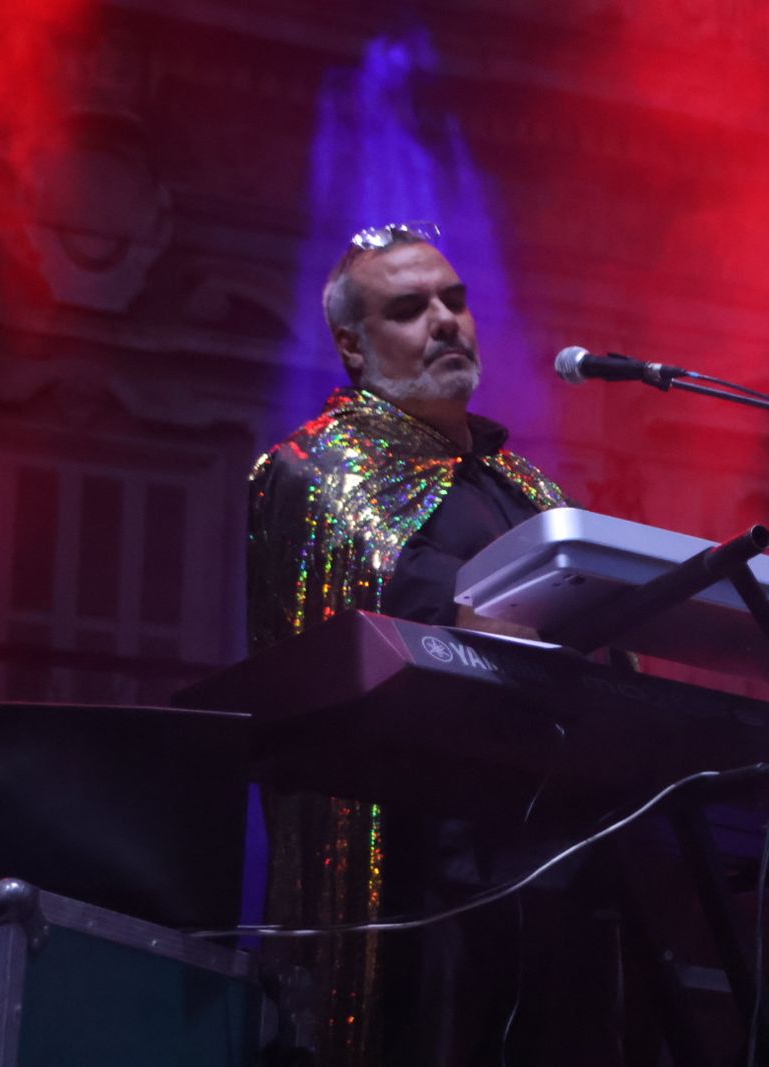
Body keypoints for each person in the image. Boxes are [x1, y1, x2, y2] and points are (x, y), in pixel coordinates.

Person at [246, 221, 577, 1066]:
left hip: (542, 846)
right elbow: (390, 600)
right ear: (354, 348)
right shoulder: (315, 467)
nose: (444, 321)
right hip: (409, 858)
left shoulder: (524, 484)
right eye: (409, 308)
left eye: (454, 300)